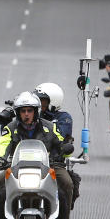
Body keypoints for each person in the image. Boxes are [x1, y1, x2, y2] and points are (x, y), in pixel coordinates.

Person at [0, 91, 74, 219]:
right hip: (17, 167)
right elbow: (2, 147)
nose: (26, 114)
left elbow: (62, 143)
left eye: (30, 110)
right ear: (18, 113)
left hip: (48, 166)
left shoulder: (50, 127)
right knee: (1, 182)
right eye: (23, 111)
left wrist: (65, 149)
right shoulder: (10, 129)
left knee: (66, 184)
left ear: (36, 112)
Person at [34, 82, 81, 210]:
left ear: (53, 101)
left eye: (42, 101)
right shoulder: (30, 114)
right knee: (3, 180)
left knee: (67, 183)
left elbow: (59, 137)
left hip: (53, 162)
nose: (38, 104)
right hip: (29, 160)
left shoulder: (64, 118)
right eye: (36, 100)